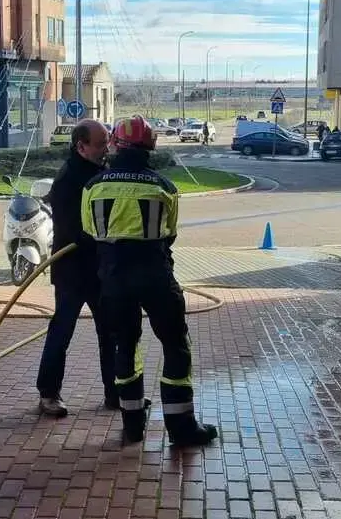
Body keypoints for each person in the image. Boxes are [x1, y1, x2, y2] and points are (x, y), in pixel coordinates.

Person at [81, 116, 216, 447]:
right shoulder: (164, 188)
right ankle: (182, 429)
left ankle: (132, 425)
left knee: (125, 347)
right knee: (175, 346)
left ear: (115, 144)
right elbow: (169, 233)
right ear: (150, 148)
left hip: (113, 281)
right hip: (156, 277)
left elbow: (90, 231)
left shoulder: (93, 187)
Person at [35, 119, 117, 417]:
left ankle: (115, 392)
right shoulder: (69, 179)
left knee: (110, 332)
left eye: (107, 141)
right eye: (100, 144)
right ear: (81, 146)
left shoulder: (102, 171)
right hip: (72, 268)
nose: (105, 147)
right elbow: (73, 229)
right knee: (62, 330)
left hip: (99, 269)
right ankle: (48, 394)